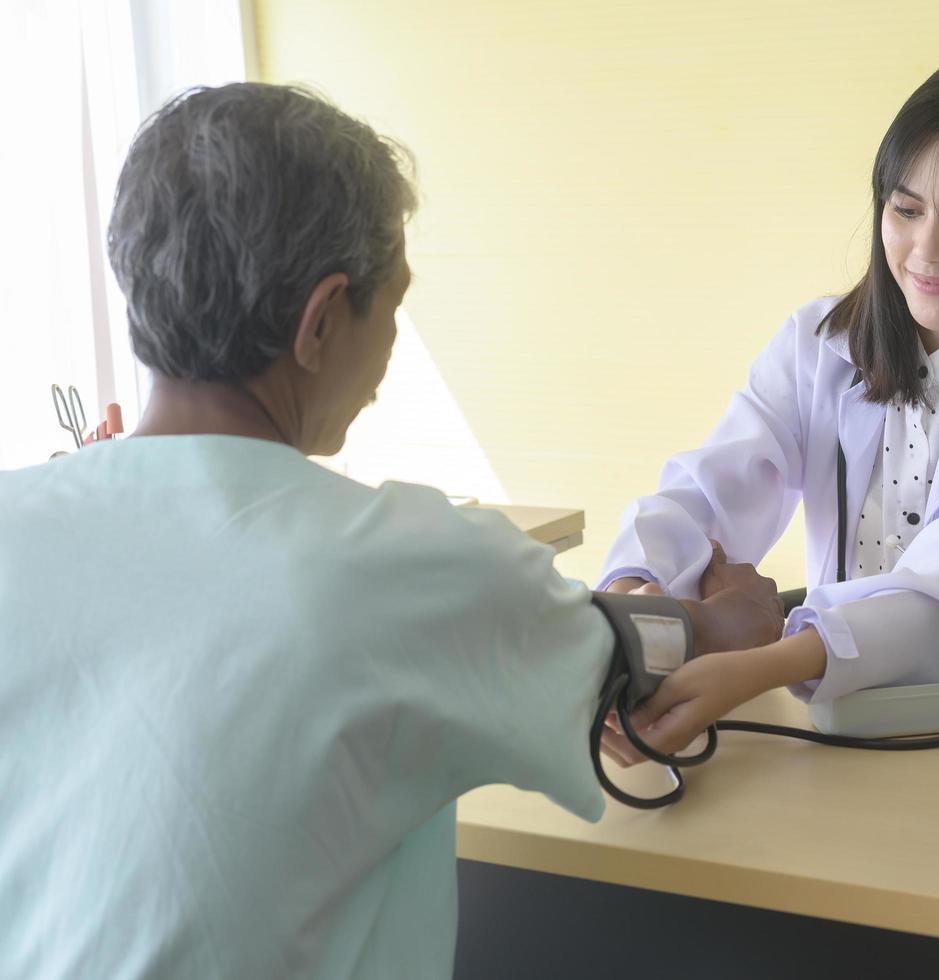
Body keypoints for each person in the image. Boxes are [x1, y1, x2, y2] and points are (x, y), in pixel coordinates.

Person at [0, 83, 781, 978]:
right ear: (323, 319)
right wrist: (741, 618)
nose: (392, 344)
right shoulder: (393, 562)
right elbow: (640, 653)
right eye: (393, 305)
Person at [599, 53, 939, 767]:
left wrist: (760, 664)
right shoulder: (820, 344)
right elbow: (710, 488)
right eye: (904, 209)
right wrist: (635, 607)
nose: (924, 250)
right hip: (846, 721)